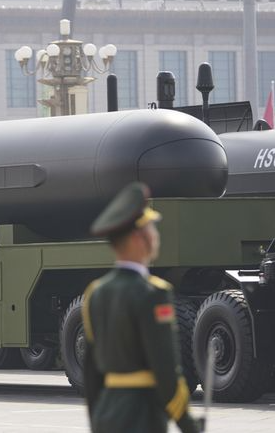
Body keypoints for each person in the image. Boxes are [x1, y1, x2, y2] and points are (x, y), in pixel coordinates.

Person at [82, 182, 201, 433]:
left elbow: (91, 374)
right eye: (152, 228)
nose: (156, 235)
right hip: (142, 416)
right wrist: (188, 426)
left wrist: (97, 420)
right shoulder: (153, 293)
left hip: (106, 415)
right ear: (139, 238)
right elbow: (166, 370)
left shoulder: (95, 293)